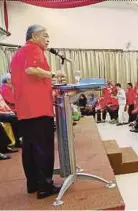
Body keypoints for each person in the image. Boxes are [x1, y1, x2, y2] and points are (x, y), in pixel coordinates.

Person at [9, 25, 65, 199]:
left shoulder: (18, 54)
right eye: (45, 36)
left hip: (25, 110)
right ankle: (45, 187)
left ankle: (33, 184)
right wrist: (53, 74)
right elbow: (31, 70)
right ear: (34, 36)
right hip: (39, 109)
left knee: (30, 148)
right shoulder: (34, 49)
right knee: (43, 148)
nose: (48, 39)